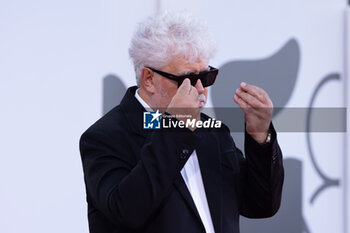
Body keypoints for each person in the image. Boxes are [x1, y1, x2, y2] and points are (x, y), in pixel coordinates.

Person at [80, 12, 284, 233]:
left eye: (206, 78)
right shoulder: (105, 136)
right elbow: (126, 211)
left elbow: (261, 204)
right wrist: (177, 128)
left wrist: (260, 135)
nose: (200, 90)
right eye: (188, 79)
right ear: (149, 79)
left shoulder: (213, 132)